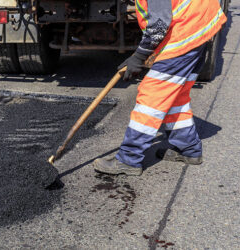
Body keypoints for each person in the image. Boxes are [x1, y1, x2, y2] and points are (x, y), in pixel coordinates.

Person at [93, 0, 227, 175]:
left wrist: (139, 57)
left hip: (186, 32)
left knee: (152, 96)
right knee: (175, 96)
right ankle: (189, 148)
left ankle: (129, 159)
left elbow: (158, 25)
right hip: (198, 25)